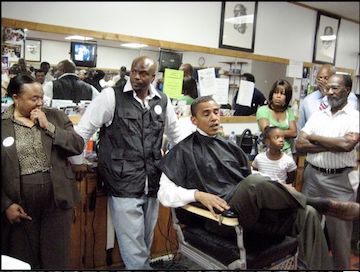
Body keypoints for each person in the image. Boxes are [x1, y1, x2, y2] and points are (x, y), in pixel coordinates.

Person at [157, 95, 359, 270]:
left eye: (216, 112)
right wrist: (197, 195)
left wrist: (277, 188)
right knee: (255, 182)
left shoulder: (230, 146)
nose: (213, 117)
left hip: (250, 209)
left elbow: (250, 173)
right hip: (221, 217)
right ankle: (323, 204)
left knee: (307, 213)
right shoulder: (182, 150)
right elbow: (164, 192)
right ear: (194, 119)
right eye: (206, 113)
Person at [70, 56, 184, 269]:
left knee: (144, 243)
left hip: (152, 181)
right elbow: (83, 131)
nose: (136, 77)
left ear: (153, 76)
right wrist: (77, 161)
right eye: (134, 71)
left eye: (143, 73)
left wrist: (184, 164)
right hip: (122, 181)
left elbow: (176, 135)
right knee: (134, 247)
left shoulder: (162, 100)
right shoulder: (110, 97)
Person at [1, 74, 84, 269]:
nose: (39, 103)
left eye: (41, 97)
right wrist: (5, 204)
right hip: (20, 206)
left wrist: (50, 127)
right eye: (33, 99)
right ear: (16, 98)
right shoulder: (4, 125)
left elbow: (77, 145)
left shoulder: (55, 116)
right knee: (24, 259)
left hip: (56, 202)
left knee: (56, 258)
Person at [295, 74, 359, 270]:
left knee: (340, 238)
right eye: (328, 88)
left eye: (335, 88)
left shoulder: (355, 117)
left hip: (339, 181)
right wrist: (334, 144)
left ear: (347, 90)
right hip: (312, 177)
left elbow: (348, 144)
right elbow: (299, 145)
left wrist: (314, 137)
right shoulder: (318, 114)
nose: (329, 92)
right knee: (306, 229)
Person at [297, 64, 358, 133]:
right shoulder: (308, 100)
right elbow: (301, 128)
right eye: (319, 78)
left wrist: (326, 93)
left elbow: (347, 119)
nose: (322, 81)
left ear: (334, 78)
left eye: (326, 78)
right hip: (311, 141)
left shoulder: (349, 96)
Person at [256, 79, 297, 155]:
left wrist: (275, 133)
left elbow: (294, 133)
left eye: (282, 94)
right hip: (267, 151)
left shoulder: (289, 111)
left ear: (287, 97)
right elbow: (267, 132)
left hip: (286, 151)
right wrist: (285, 133)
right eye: (276, 92)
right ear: (272, 94)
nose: (278, 96)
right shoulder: (263, 110)